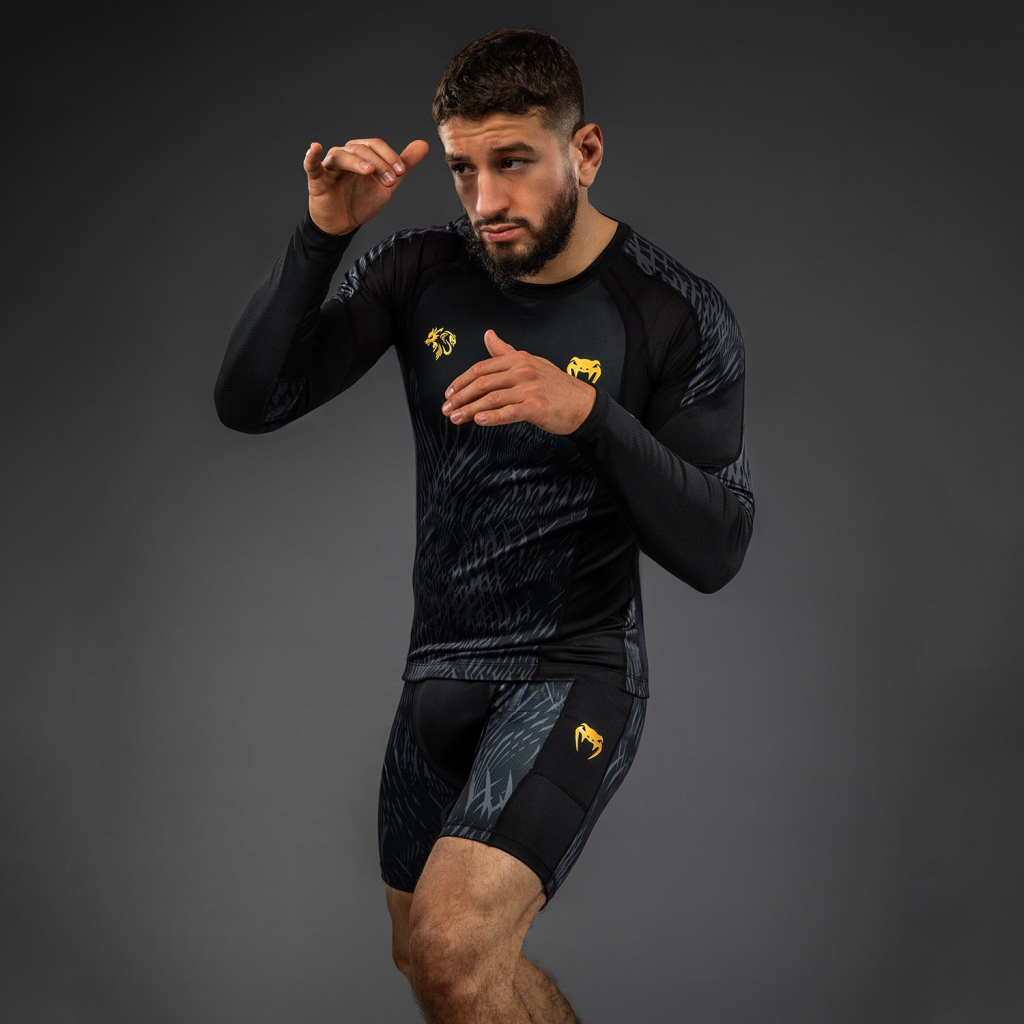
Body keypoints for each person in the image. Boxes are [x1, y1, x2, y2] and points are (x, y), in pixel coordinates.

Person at [215, 26, 754, 1024]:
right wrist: (322, 236)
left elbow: (718, 545)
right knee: (432, 965)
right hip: (436, 672)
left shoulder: (671, 313)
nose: (486, 199)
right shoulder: (421, 269)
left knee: (453, 952)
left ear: (584, 152)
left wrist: (589, 415)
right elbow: (251, 401)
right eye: (464, 169)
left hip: (570, 669)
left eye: (513, 162)